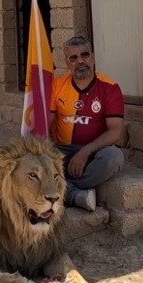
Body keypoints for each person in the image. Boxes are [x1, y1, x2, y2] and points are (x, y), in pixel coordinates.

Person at [47, 34, 126, 211]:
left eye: (85, 55)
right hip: (61, 151)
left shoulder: (110, 88)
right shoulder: (57, 85)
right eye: (73, 58)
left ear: (93, 57)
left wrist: (84, 152)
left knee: (114, 158)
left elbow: (115, 132)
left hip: (94, 153)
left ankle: (65, 190)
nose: (80, 61)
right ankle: (73, 194)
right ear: (67, 63)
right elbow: (45, 125)